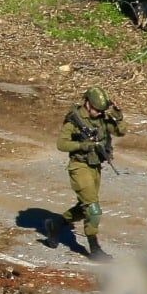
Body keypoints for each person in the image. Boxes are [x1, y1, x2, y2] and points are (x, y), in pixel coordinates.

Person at [45, 86, 128, 261]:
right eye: (96, 109)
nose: (99, 113)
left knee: (85, 208)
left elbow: (120, 131)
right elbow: (61, 144)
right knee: (93, 209)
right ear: (87, 103)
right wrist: (83, 146)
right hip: (79, 166)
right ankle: (94, 248)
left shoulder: (102, 118)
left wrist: (118, 114)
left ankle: (56, 224)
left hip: (95, 166)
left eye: (101, 110)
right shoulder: (74, 120)